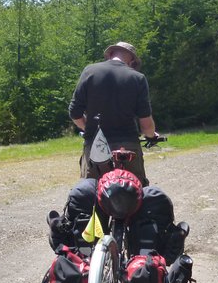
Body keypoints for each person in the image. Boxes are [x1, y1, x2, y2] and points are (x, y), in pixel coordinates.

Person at [68, 41, 159, 186]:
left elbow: (74, 112)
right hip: (128, 148)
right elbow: (146, 126)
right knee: (135, 193)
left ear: (110, 54)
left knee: (91, 193)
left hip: (95, 148)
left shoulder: (89, 71)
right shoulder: (138, 78)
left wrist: (90, 129)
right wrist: (151, 136)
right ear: (132, 61)